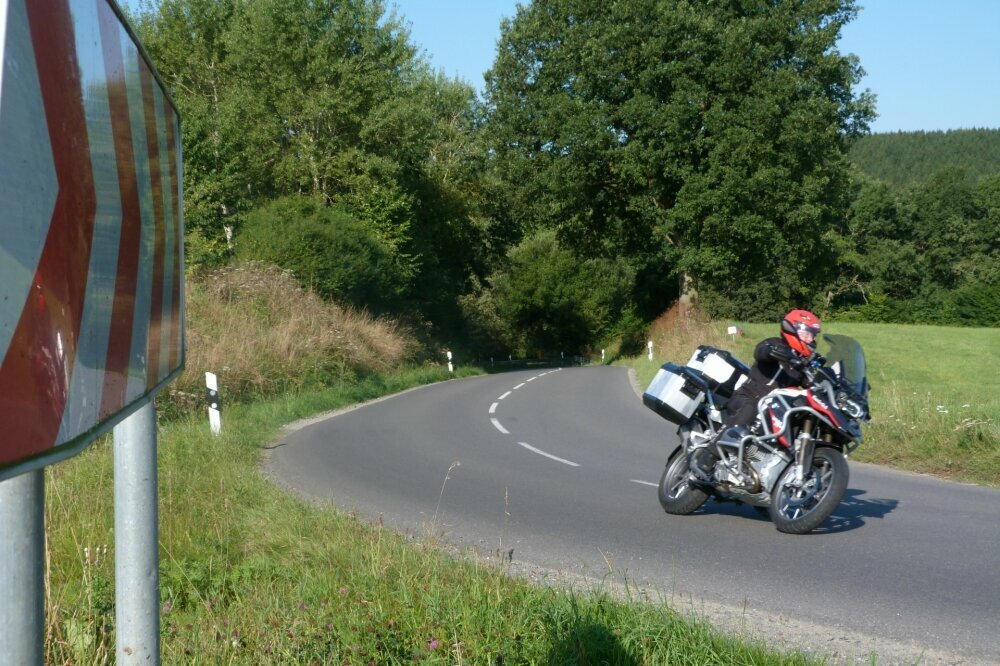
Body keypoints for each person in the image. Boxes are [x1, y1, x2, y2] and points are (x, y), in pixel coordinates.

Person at [691, 309, 822, 475]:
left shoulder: (802, 367)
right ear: (792, 330)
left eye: (813, 335)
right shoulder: (774, 344)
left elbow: (812, 385)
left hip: (771, 411)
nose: (811, 339)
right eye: (807, 334)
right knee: (750, 410)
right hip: (747, 397)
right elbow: (761, 351)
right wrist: (775, 351)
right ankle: (709, 455)